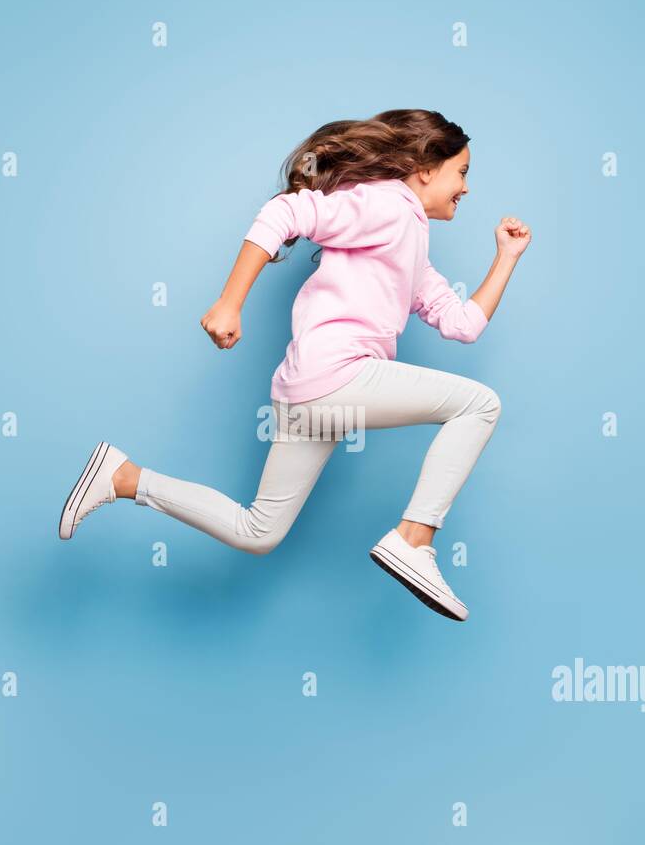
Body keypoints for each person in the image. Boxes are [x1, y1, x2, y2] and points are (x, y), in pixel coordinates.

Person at [59, 109, 531, 621]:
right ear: (424, 168)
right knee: (480, 405)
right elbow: (285, 213)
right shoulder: (387, 206)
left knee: (258, 532)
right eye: (461, 172)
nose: (466, 187)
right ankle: (413, 539)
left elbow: (462, 323)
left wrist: (505, 257)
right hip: (337, 377)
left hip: (314, 394)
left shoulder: (411, 240)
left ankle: (125, 477)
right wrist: (229, 302)